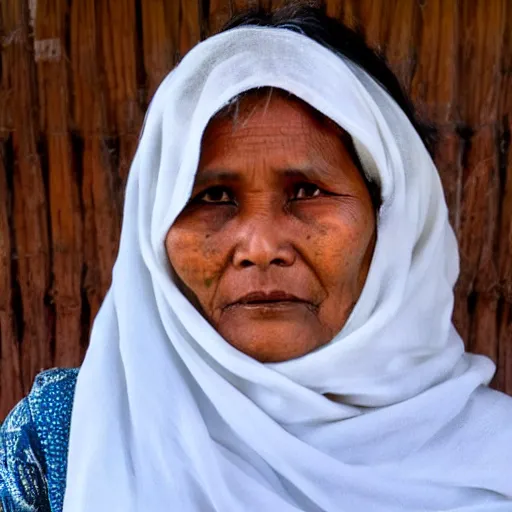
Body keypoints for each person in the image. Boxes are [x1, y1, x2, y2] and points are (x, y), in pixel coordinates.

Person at [1, 4, 512, 512]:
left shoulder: (495, 465)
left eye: (308, 191)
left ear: (392, 222)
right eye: (213, 197)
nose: (261, 247)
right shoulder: (63, 441)